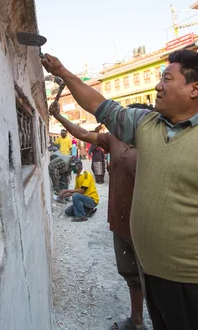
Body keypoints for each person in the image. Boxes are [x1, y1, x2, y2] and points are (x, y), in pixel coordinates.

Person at [42, 50, 198, 330]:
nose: (157, 86)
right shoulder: (144, 124)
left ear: (195, 89)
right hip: (154, 278)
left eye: (167, 78)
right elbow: (100, 106)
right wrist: (65, 73)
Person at [50, 102, 152, 330]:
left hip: (148, 223)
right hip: (120, 220)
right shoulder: (113, 138)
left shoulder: (155, 141)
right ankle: (137, 321)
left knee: (156, 277)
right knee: (131, 275)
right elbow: (83, 133)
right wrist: (58, 116)